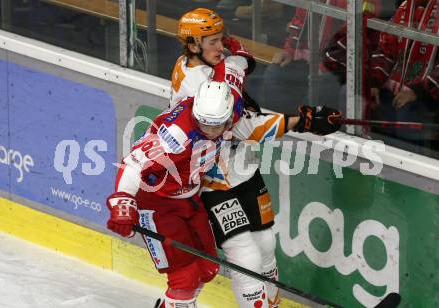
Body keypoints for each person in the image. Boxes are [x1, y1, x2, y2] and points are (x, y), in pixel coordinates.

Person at [106, 78, 341, 308]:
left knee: (206, 269)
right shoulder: (177, 135)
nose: (209, 130)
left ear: (229, 118)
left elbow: (254, 125)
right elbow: (133, 164)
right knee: (185, 277)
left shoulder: (231, 110)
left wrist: (303, 122)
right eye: (203, 123)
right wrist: (123, 205)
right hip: (156, 204)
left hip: (189, 199)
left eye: (216, 124)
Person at [169, 8, 340, 308]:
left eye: (220, 39)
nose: (220, 47)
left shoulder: (209, 61)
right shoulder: (196, 86)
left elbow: (240, 63)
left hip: (242, 168)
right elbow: (245, 126)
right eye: (212, 42)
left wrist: (235, 57)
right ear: (192, 45)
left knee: (265, 246)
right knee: (245, 256)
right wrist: (304, 121)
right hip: (213, 180)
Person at [369, 0, 439, 149]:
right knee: (366, 102)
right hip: (393, 88)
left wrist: (417, 92)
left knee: (406, 114)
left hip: (427, 95)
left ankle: (413, 167)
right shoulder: (405, 7)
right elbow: (384, 50)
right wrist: (374, 82)